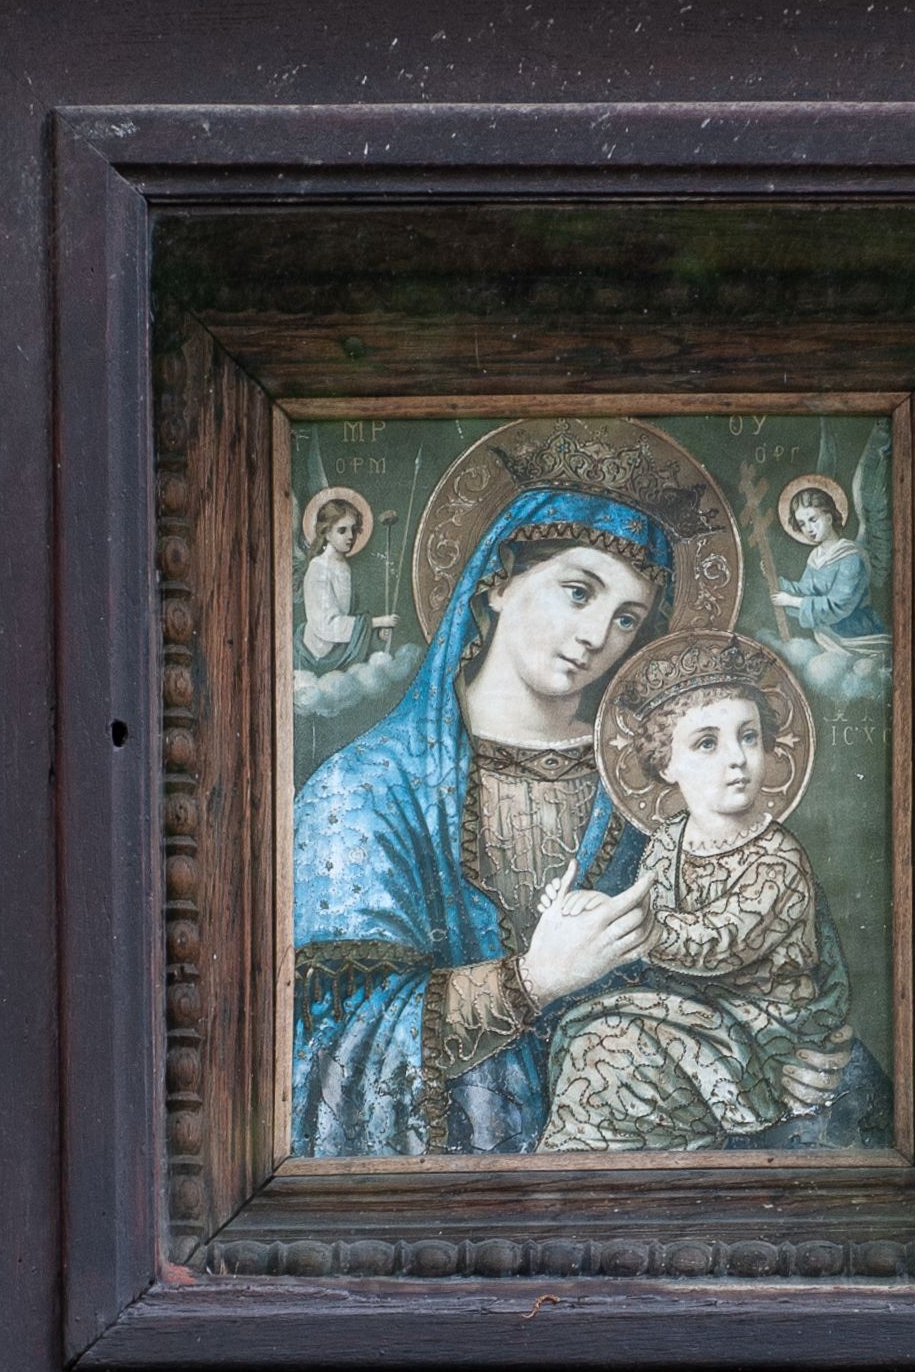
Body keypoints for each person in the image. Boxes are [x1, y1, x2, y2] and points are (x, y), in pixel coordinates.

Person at [291, 485, 680, 1154]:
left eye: (626, 619)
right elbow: (335, 1046)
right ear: (498, 583)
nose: (596, 637)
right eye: (578, 592)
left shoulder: (658, 785)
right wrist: (533, 981)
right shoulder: (363, 788)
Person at [539, 635, 856, 1151]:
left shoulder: (778, 858)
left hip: (764, 1033)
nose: (737, 759)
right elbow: (652, 917)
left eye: (749, 737)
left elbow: (717, 942)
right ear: (666, 763)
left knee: (613, 1050)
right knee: (594, 1042)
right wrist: (581, 914)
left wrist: (626, 920)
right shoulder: (669, 840)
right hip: (692, 1014)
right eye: (707, 743)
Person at [774, 478, 888, 655]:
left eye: (813, 519)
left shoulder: (851, 557)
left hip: (858, 638)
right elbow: (806, 590)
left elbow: (839, 605)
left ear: (828, 517)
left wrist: (792, 601)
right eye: (802, 524)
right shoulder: (816, 557)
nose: (808, 529)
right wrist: (774, 580)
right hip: (829, 638)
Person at [298, 493, 368, 671]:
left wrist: (374, 631)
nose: (351, 536)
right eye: (342, 530)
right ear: (326, 533)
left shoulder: (345, 567)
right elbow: (326, 626)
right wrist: (374, 624)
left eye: (354, 529)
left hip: (342, 649)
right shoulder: (318, 568)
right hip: (317, 655)